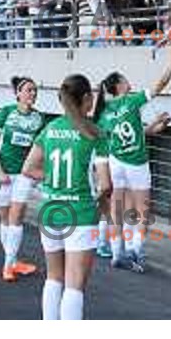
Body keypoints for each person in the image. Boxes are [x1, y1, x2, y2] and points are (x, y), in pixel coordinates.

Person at [21, 74, 111, 320]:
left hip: (50, 210)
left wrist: (54, 179)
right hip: (81, 213)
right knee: (75, 285)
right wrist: (105, 209)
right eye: (91, 94)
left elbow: (28, 168)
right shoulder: (95, 133)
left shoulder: (49, 129)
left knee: (53, 277)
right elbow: (105, 185)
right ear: (85, 99)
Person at [92, 42, 171, 271]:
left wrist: (152, 127)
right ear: (119, 85)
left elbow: (125, 134)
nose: (127, 81)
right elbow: (160, 84)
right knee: (141, 210)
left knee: (117, 208)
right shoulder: (131, 101)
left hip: (116, 162)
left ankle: (116, 252)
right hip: (136, 163)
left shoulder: (103, 114)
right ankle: (135, 252)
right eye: (124, 79)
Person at [0, 77, 45, 282]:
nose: (32, 94)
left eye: (35, 91)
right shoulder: (5, 113)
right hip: (2, 172)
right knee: (5, 218)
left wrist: (37, 172)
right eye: (28, 90)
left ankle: (7, 265)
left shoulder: (39, 118)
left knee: (17, 215)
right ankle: (12, 261)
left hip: (23, 174)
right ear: (18, 93)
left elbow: (39, 149)